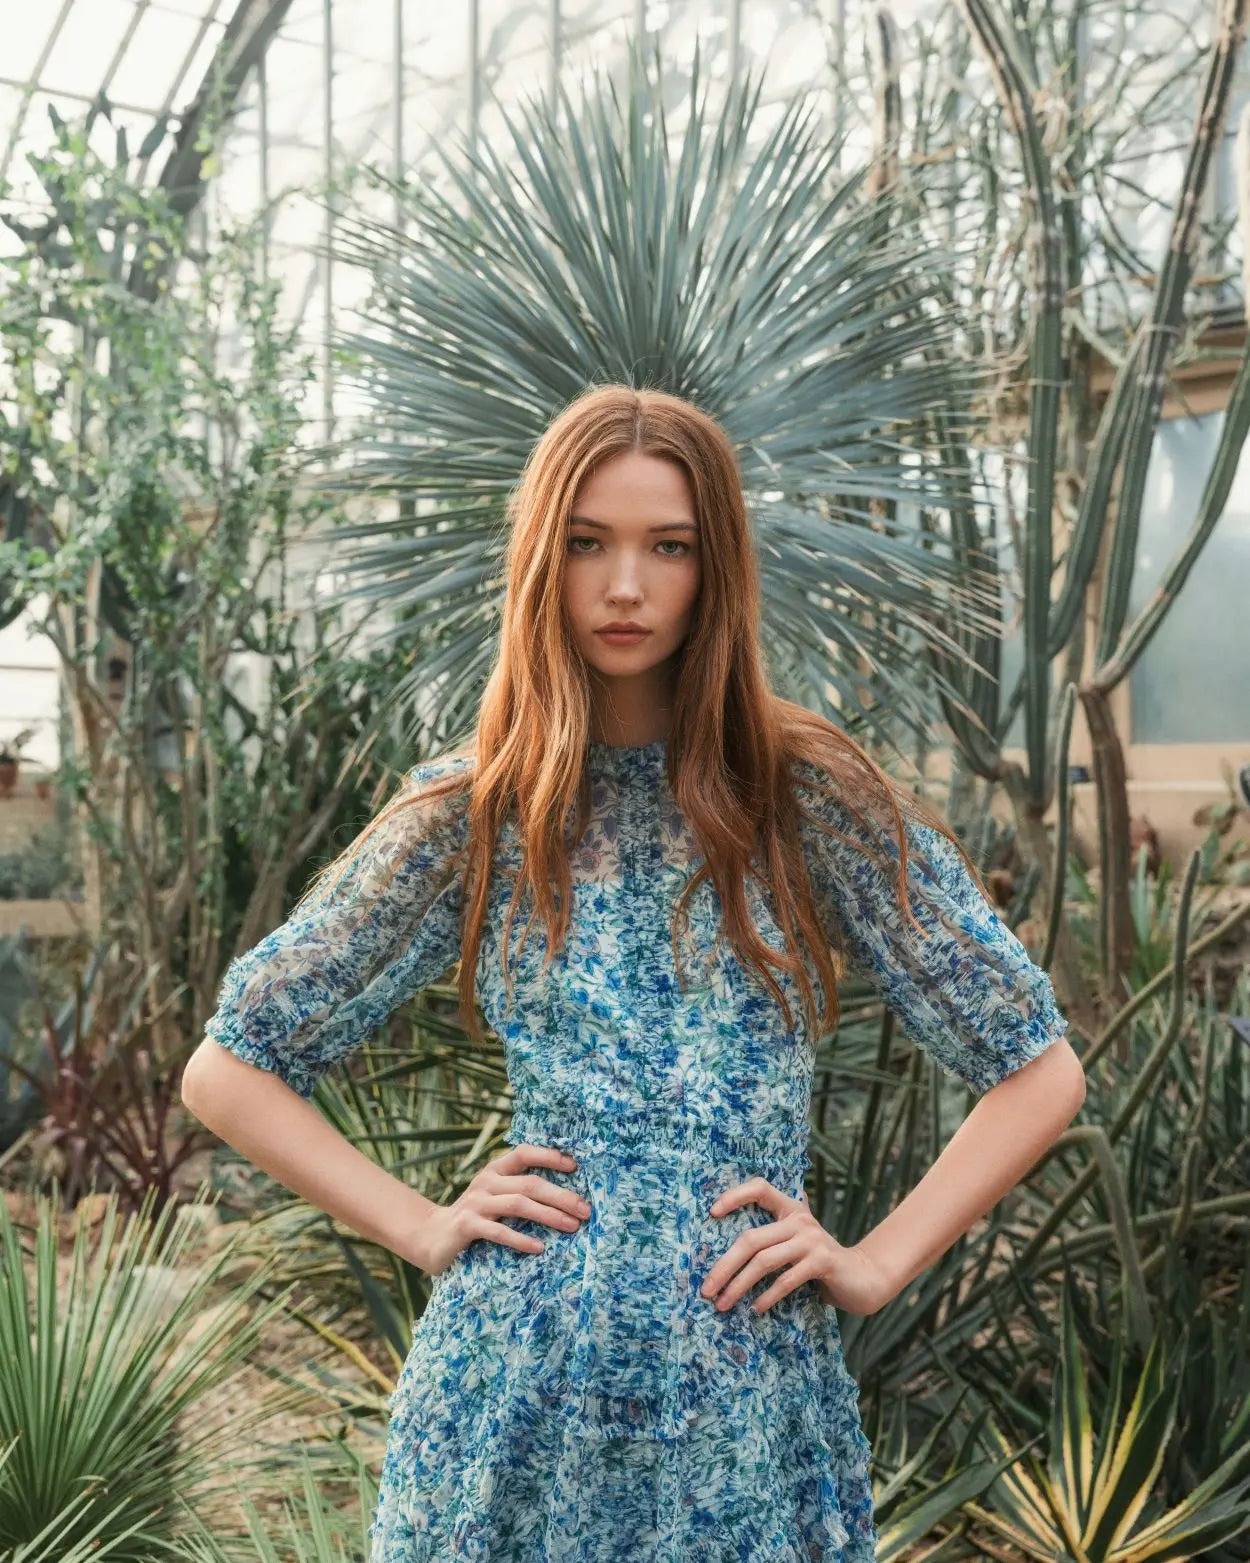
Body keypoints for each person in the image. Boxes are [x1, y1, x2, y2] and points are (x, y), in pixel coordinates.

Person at [180, 383, 1086, 1562]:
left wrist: (870, 1265)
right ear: (538, 562)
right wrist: (420, 1226)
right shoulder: (474, 810)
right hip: (511, 1403)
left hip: (745, 1408)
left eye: (668, 547)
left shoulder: (807, 798)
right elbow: (227, 1068)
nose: (623, 585)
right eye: (586, 544)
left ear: (715, 571)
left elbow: (1036, 1068)